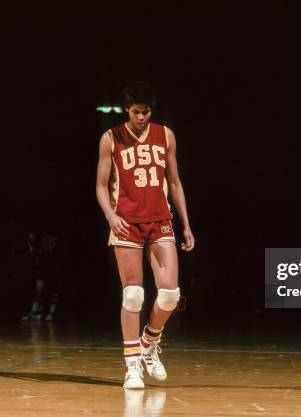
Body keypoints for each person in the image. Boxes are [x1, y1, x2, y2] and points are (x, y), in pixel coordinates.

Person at [96, 81, 195, 389]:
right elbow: (100, 185)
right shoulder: (110, 138)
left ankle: (149, 343)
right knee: (134, 294)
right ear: (127, 109)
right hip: (127, 222)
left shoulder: (165, 135)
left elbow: (175, 182)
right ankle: (132, 365)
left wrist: (187, 225)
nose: (142, 117)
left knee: (169, 294)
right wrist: (111, 217)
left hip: (160, 220)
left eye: (146, 111)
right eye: (137, 112)